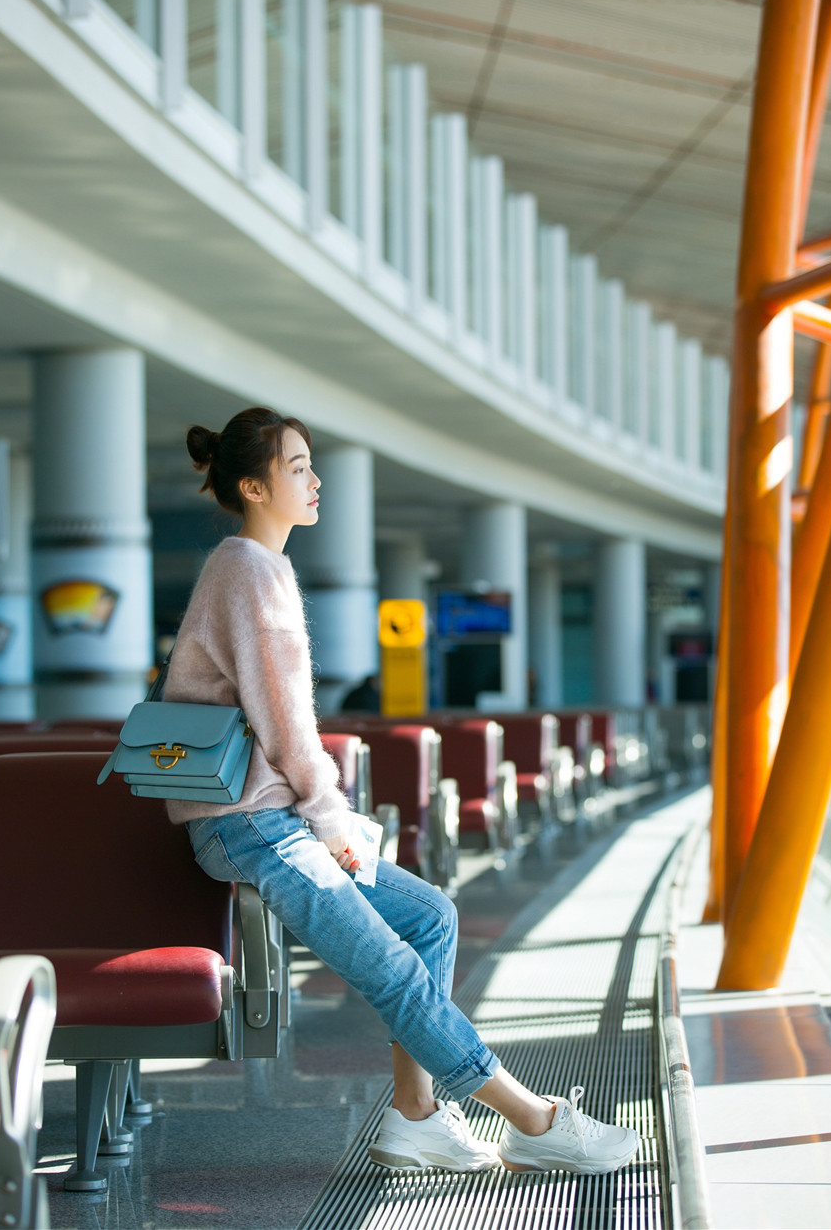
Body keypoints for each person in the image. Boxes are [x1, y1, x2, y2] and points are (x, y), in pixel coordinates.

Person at [163, 405, 638, 1175]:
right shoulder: (251, 572)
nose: (315, 482)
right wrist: (333, 819)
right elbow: (285, 728)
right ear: (252, 485)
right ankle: (536, 1119)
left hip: (261, 818)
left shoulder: (247, 566)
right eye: (295, 469)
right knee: (391, 965)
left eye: (311, 465)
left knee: (430, 918)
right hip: (251, 824)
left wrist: (322, 817)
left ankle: (416, 1117)